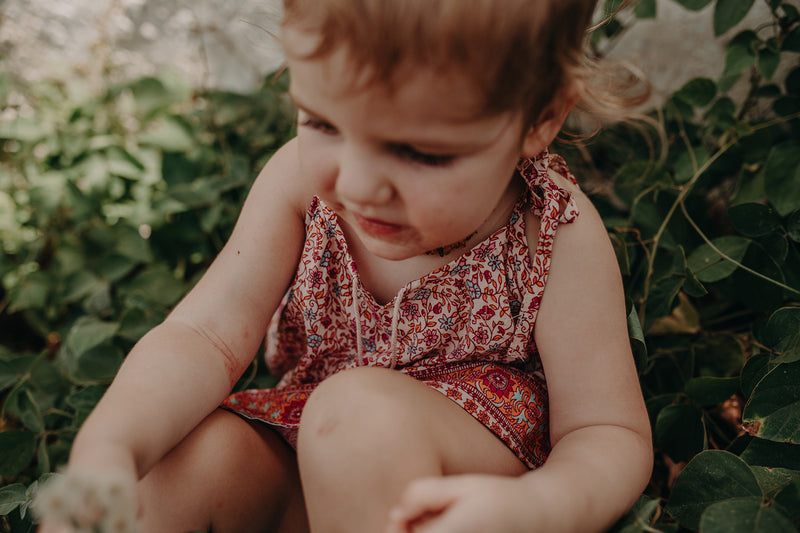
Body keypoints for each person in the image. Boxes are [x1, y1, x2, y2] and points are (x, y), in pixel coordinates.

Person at [36, 0, 653, 531]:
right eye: (322, 122)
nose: (357, 184)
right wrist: (111, 447)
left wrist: (538, 508)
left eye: (420, 152)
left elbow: (607, 432)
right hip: (306, 453)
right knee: (182, 463)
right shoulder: (298, 184)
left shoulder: (553, 232)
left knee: (356, 415)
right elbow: (205, 335)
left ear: (540, 117)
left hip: (454, 495)